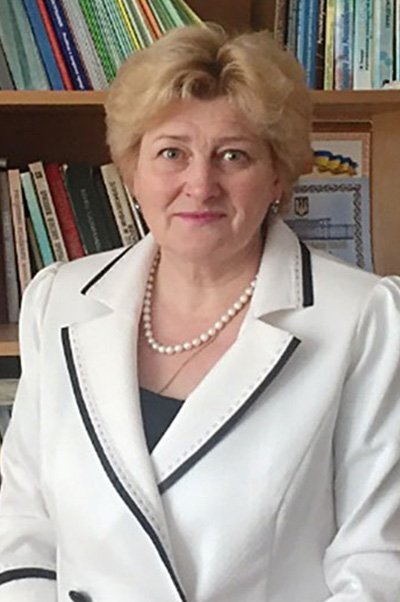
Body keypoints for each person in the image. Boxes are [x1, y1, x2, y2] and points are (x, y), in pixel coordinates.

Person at [1, 24, 400, 602]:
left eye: (233, 155)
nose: (200, 184)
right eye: (172, 153)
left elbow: (378, 560)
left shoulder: (364, 319)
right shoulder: (58, 300)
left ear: (277, 175)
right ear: (132, 169)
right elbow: (23, 520)